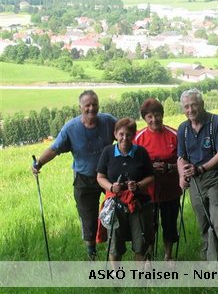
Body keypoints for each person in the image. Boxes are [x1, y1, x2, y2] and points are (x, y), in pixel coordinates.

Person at [31, 90, 116, 260]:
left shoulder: (108, 121)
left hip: (107, 175)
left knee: (116, 211)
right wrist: (39, 163)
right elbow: (54, 149)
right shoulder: (71, 129)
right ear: (80, 107)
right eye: (87, 105)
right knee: (88, 218)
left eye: (95, 104)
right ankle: (92, 253)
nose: (91, 108)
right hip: (84, 179)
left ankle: (114, 248)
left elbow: (126, 133)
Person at [177, 88, 218, 261]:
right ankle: (207, 260)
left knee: (216, 223)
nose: (190, 110)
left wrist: (201, 168)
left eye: (194, 105)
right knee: (203, 224)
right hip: (195, 181)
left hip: (216, 177)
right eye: (186, 107)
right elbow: (181, 157)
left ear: (202, 104)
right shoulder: (183, 129)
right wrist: (181, 175)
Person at [97, 118, 155, 264]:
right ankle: (117, 277)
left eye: (128, 134)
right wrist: (111, 187)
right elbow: (100, 177)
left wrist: (139, 185)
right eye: (121, 134)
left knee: (141, 243)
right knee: (114, 242)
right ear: (115, 134)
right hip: (115, 204)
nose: (124, 138)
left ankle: (140, 278)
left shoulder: (141, 152)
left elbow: (151, 176)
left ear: (134, 135)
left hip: (139, 202)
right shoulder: (108, 152)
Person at [134, 98, 181, 261]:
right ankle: (149, 256)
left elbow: (184, 160)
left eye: (157, 115)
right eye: (149, 117)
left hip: (171, 189)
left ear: (162, 115)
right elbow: (133, 164)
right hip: (147, 192)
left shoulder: (174, 135)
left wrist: (170, 167)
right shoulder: (138, 138)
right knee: (149, 226)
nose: (154, 119)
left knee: (169, 224)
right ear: (144, 118)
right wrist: (149, 169)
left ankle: (168, 256)